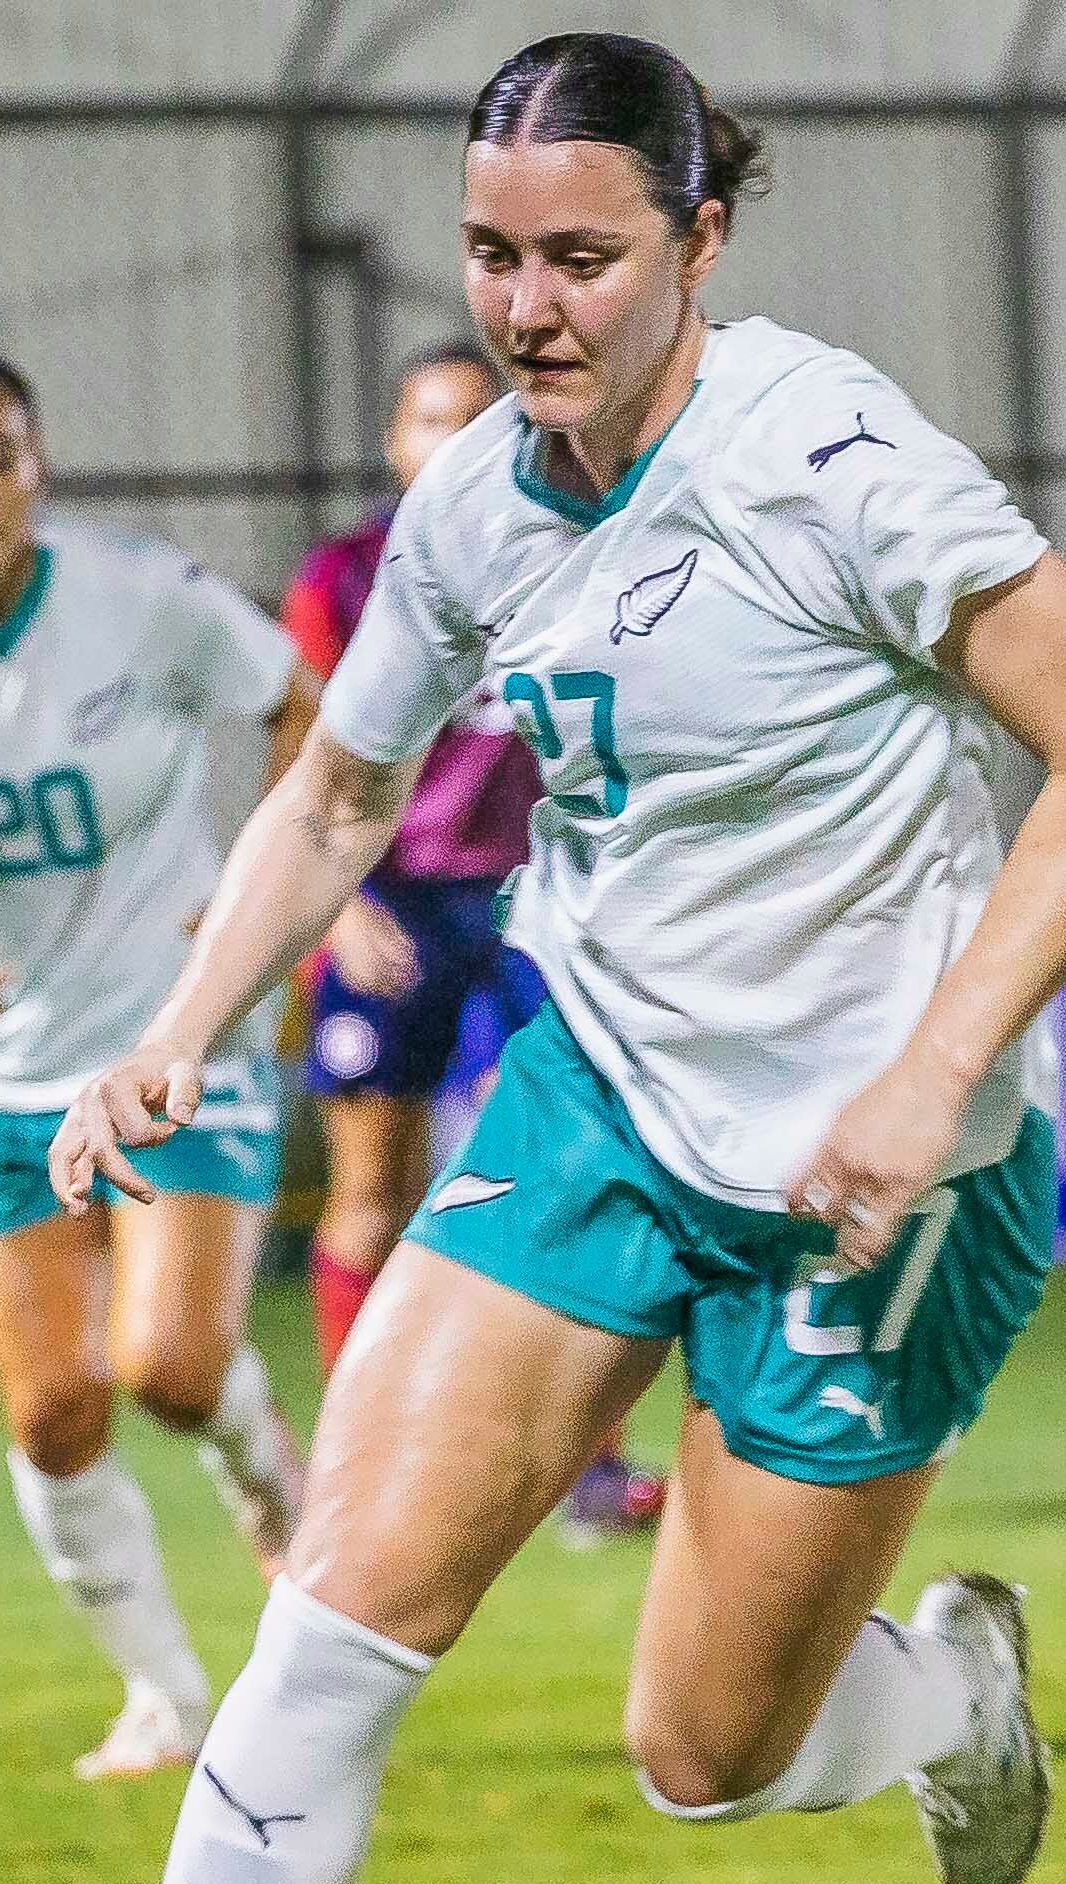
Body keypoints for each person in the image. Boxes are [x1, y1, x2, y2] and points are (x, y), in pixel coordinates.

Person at [0, 30, 1066, 1884]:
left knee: (705, 1753)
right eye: (495, 254)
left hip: (878, 1195)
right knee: (341, 1613)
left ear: (701, 239)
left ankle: (949, 1684)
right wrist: (179, 1035)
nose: (530, 307)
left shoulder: (839, 460)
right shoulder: (479, 502)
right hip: (599, 1100)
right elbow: (336, 791)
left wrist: (928, 1064)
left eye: (585, 256)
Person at [0, 334, 320, 1784]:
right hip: (3, 1077)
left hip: (171, 1037)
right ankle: (168, 1695)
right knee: (52, 1407)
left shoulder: (139, 597)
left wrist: (255, 898)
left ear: (37, 470)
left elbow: (302, 706)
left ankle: (261, 1464)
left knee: (164, 1362)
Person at [283, 342, 665, 1543]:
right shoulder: (345, 577)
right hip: (391, 898)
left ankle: (586, 1468)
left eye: (472, 417)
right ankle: (359, 1462)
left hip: (533, 900)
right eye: (427, 419)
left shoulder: (572, 544)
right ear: (395, 443)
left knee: (571, 1176)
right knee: (371, 1191)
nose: (449, 440)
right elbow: (307, 753)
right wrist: (339, 907)